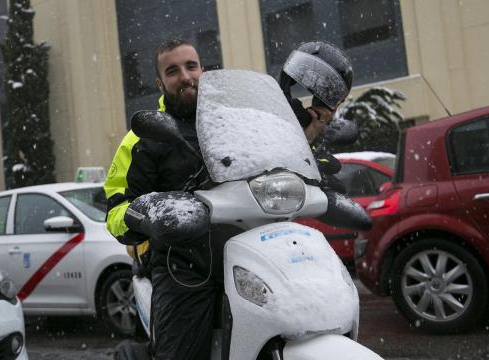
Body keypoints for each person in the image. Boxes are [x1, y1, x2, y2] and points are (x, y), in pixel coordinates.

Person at [105, 39, 350, 359]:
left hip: (252, 246)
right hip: (185, 262)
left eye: (191, 66)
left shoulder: (236, 121)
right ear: (160, 83)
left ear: (203, 70)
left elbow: (278, 162)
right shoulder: (143, 137)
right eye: (172, 70)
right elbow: (116, 210)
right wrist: (154, 211)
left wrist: (309, 137)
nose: (185, 76)